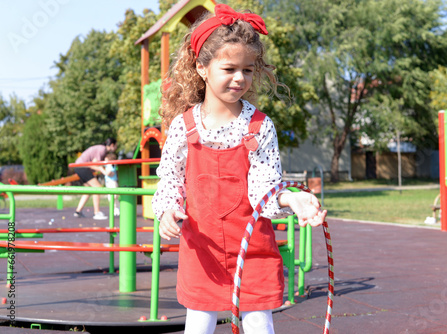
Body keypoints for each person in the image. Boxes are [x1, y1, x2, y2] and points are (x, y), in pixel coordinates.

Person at [151, 5, 327, 334]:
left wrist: (293, 200)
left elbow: (264, 189)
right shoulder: (183, 126)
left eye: (248, 70)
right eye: (229, 68)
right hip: (202, 250)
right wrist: (167, 211)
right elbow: (171, 180)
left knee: (259, 323)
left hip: (253, 250)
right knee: (199, 324)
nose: (239, 78)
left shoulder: (260, 126)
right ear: (202, 68)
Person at [73, 138, 117, 220]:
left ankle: (78, 211)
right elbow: (93, 163)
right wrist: (103, 171)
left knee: (88, 189)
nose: (116, 148)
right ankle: (96, 212)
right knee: (97, 187)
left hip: (79, 166)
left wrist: (100, 170)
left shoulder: (101, 149)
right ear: (112, 145)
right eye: (116, 146)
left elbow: (93, 164)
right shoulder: (102, 149)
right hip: (82, 166)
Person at [104, 152, 119, 216]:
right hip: (110, 183)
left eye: (105, 159)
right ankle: (114, 210)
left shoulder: (110, 165)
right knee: (112, 198)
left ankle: (116, 210)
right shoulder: (108, 165)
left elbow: (109, 173)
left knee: (113, 197)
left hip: (112, 183)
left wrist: (102, 170)